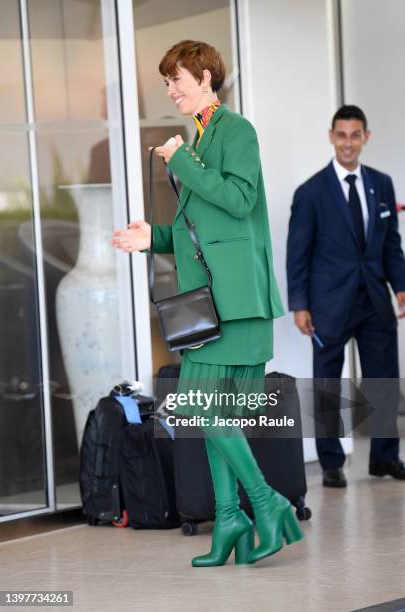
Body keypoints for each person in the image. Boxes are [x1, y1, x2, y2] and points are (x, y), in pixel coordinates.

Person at [112, 40, 303, 566]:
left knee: (206, 410)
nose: (171, 90)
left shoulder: (235, 130)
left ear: (205, 78)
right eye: (167, 82)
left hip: (237, 303)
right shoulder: (199, 136)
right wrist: (152, 236)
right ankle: (230, 520)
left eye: (177, 79)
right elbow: (199, 229)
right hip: (208, 305)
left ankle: (267, 504)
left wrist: (183, 163)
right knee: (210, 415)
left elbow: (240, 201)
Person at [287, 105, 405, 488]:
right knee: (327, 384)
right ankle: (331, 463)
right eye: (342, 135)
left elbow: (391, 246)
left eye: (356, 135)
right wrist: (299, 304)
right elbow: (297, 253)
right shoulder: (311, 192)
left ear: (365, 137)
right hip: (328, 305)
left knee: (383, 380)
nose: (349, 143)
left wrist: (401, 287)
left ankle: (385, 458)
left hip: (374, 300)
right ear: (331, 137)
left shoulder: (382, 184)